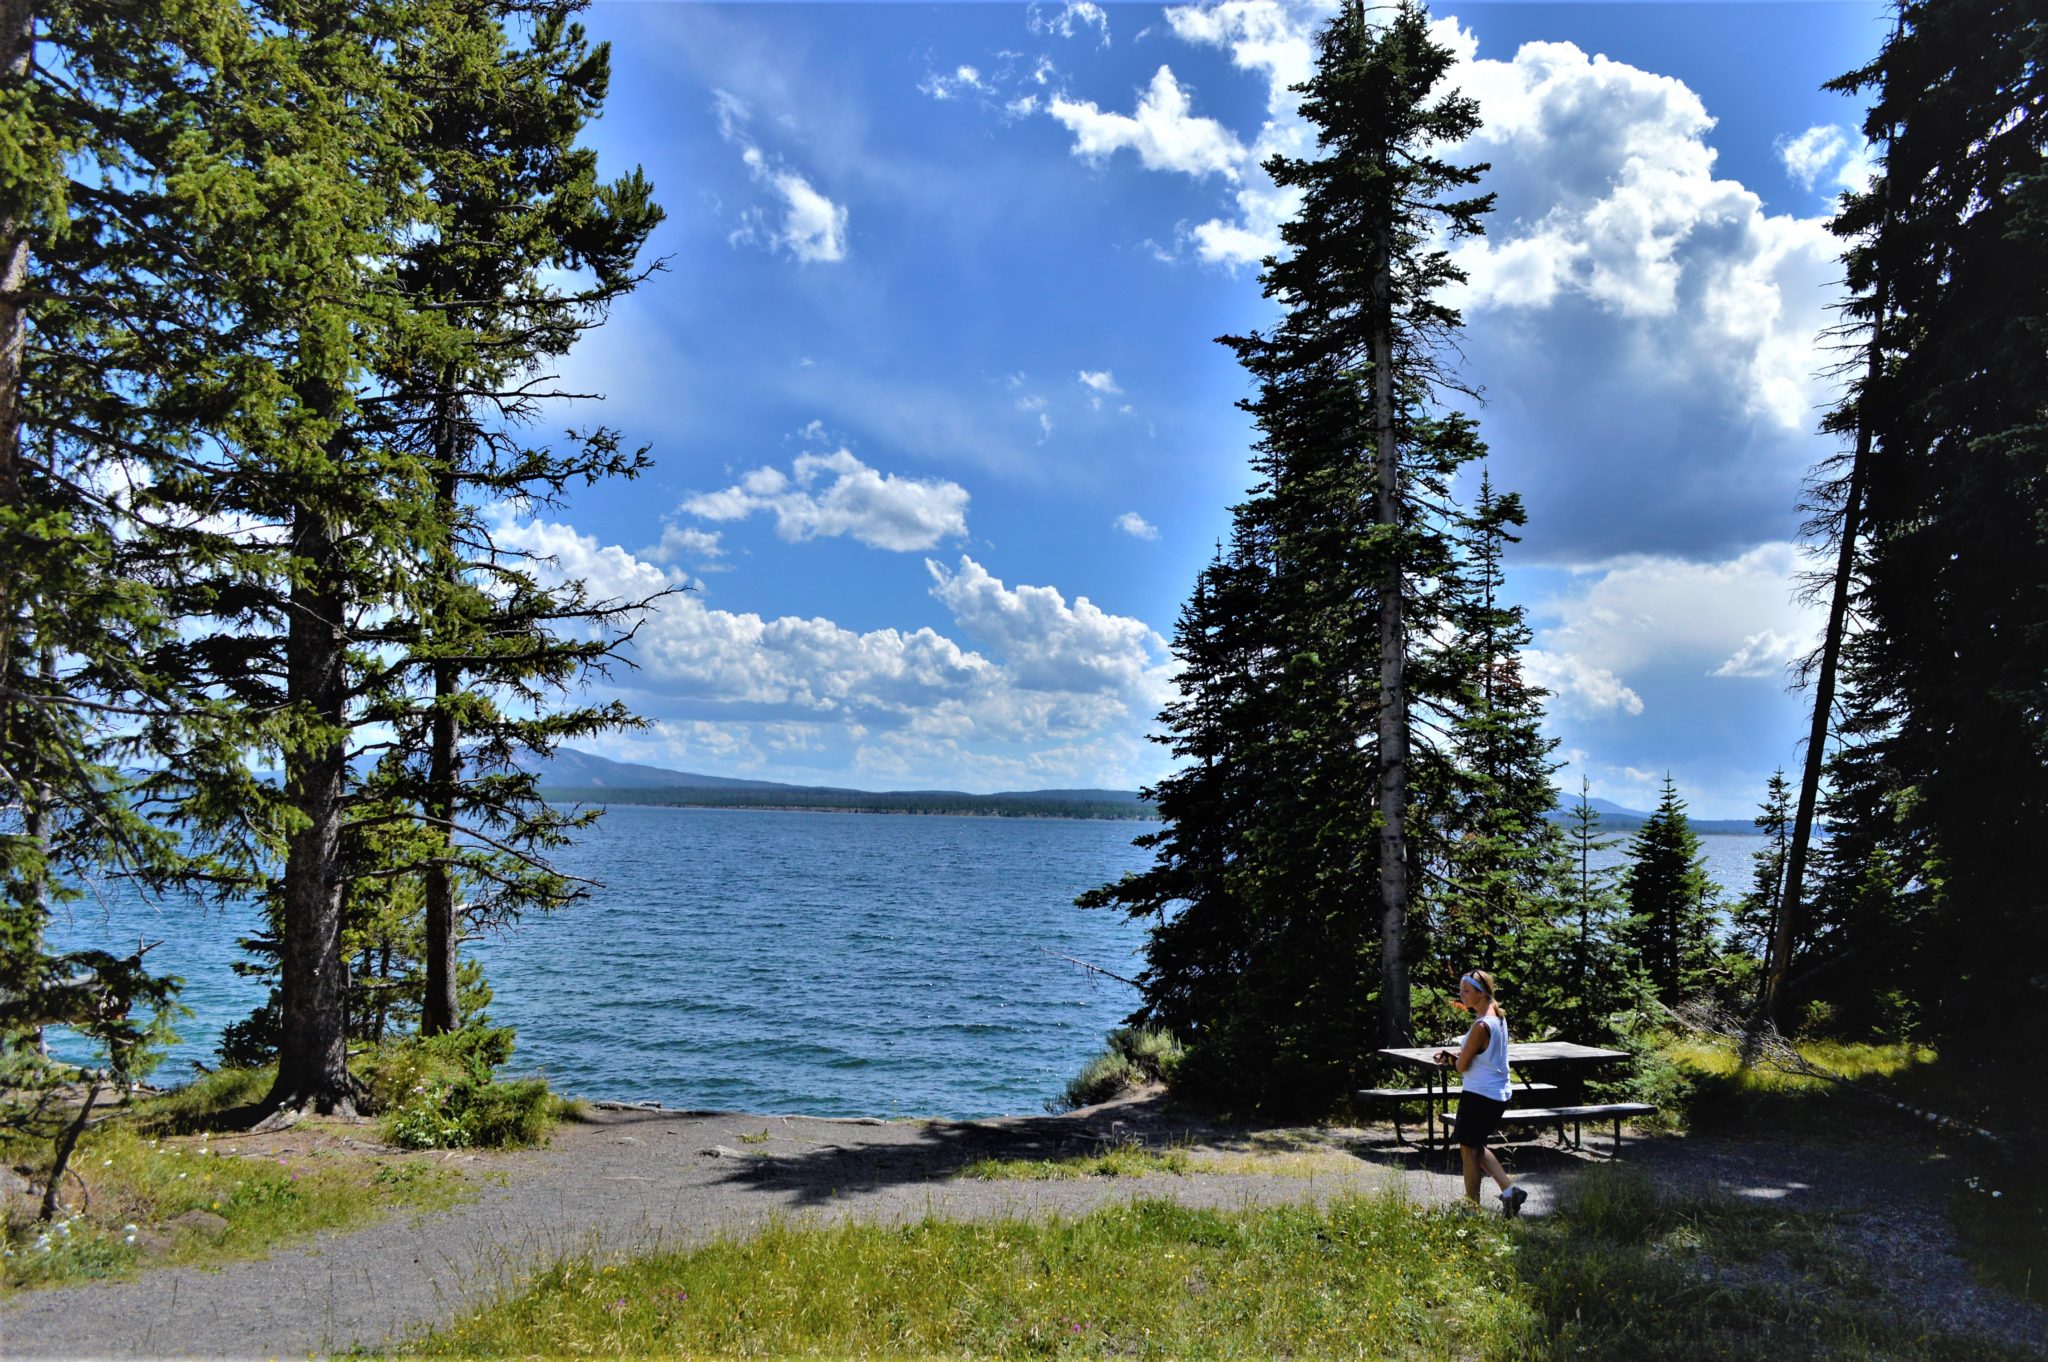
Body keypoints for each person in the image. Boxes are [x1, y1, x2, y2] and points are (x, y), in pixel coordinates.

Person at [1433, 969, 1528, 1217]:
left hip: (1480, 1094)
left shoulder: (1481, 1026)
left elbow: (1463, 1065)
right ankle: (1510, 1192)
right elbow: (1482, 1057)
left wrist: (1451, 1060)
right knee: (1473, 1146)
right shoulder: (1497, 1016)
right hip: (1495, 1092)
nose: (1462, 995)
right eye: (1461, 990)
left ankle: (1471, 1208)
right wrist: (1455, 1057)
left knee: (1469, 1149)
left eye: (1466, 991)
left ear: (1480, 992)